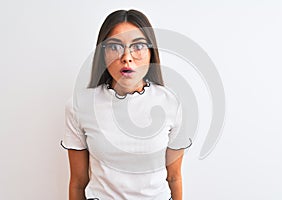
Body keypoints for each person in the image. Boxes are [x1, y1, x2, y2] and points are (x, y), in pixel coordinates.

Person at [61, 9, 192, 200]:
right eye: (114, 47)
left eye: (137, 46)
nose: (127, 57)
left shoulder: (172, 104)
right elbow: (78, 182)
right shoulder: (79, 106)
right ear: (102, 53)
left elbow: (174, 177)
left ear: (150, 53)